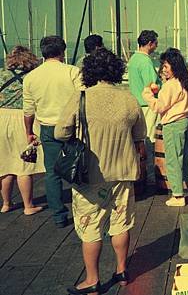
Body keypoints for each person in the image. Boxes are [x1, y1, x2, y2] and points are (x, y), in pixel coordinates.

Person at [55, 48, 146, 295]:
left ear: (90, 71)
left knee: (91, 227)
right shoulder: (128, 98)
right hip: (124, 171)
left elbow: (60, 133)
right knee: (121, 224)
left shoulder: (80, 97)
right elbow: (140, 135)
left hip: (90, 175)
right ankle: (122, 270)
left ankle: (92, 280)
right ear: (115, 70)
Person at [23, 36, 85, 227]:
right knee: (78, 167)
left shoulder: (31, 77)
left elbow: (28, 110)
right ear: (62, 51)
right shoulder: (72, 72)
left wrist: (29, 132)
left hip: (47, 128)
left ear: (43, 52)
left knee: (52, 173)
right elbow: (82, 98)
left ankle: (59, 216)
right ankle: (84, 212)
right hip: (72, 126)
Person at [142, 48, 188, 207]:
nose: (163, 70)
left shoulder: (171, 85)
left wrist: (148, 95)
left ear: (174, 66)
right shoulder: (187, 81)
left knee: (173, 160)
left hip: (173, 124)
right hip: (187, 121)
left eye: (166, 66)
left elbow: (159, 107)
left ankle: (178, 195)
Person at [0, 46, 45, 214]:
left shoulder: (1, 74)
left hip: (1, 118)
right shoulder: (31, 77)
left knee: (4, 165)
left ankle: (6, 203)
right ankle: (28, 206)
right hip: (22, 119)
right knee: (23, 165)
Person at [127, 30, 161, 170]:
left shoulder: (133, 59)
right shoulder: (146, 61)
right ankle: (150, 173)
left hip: (136, 102)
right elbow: (152, 86)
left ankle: (140, 171)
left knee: (138, 139)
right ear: (149, 43)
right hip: (148, 104)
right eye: (155, 44)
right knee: (149, 139)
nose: (156, 46)